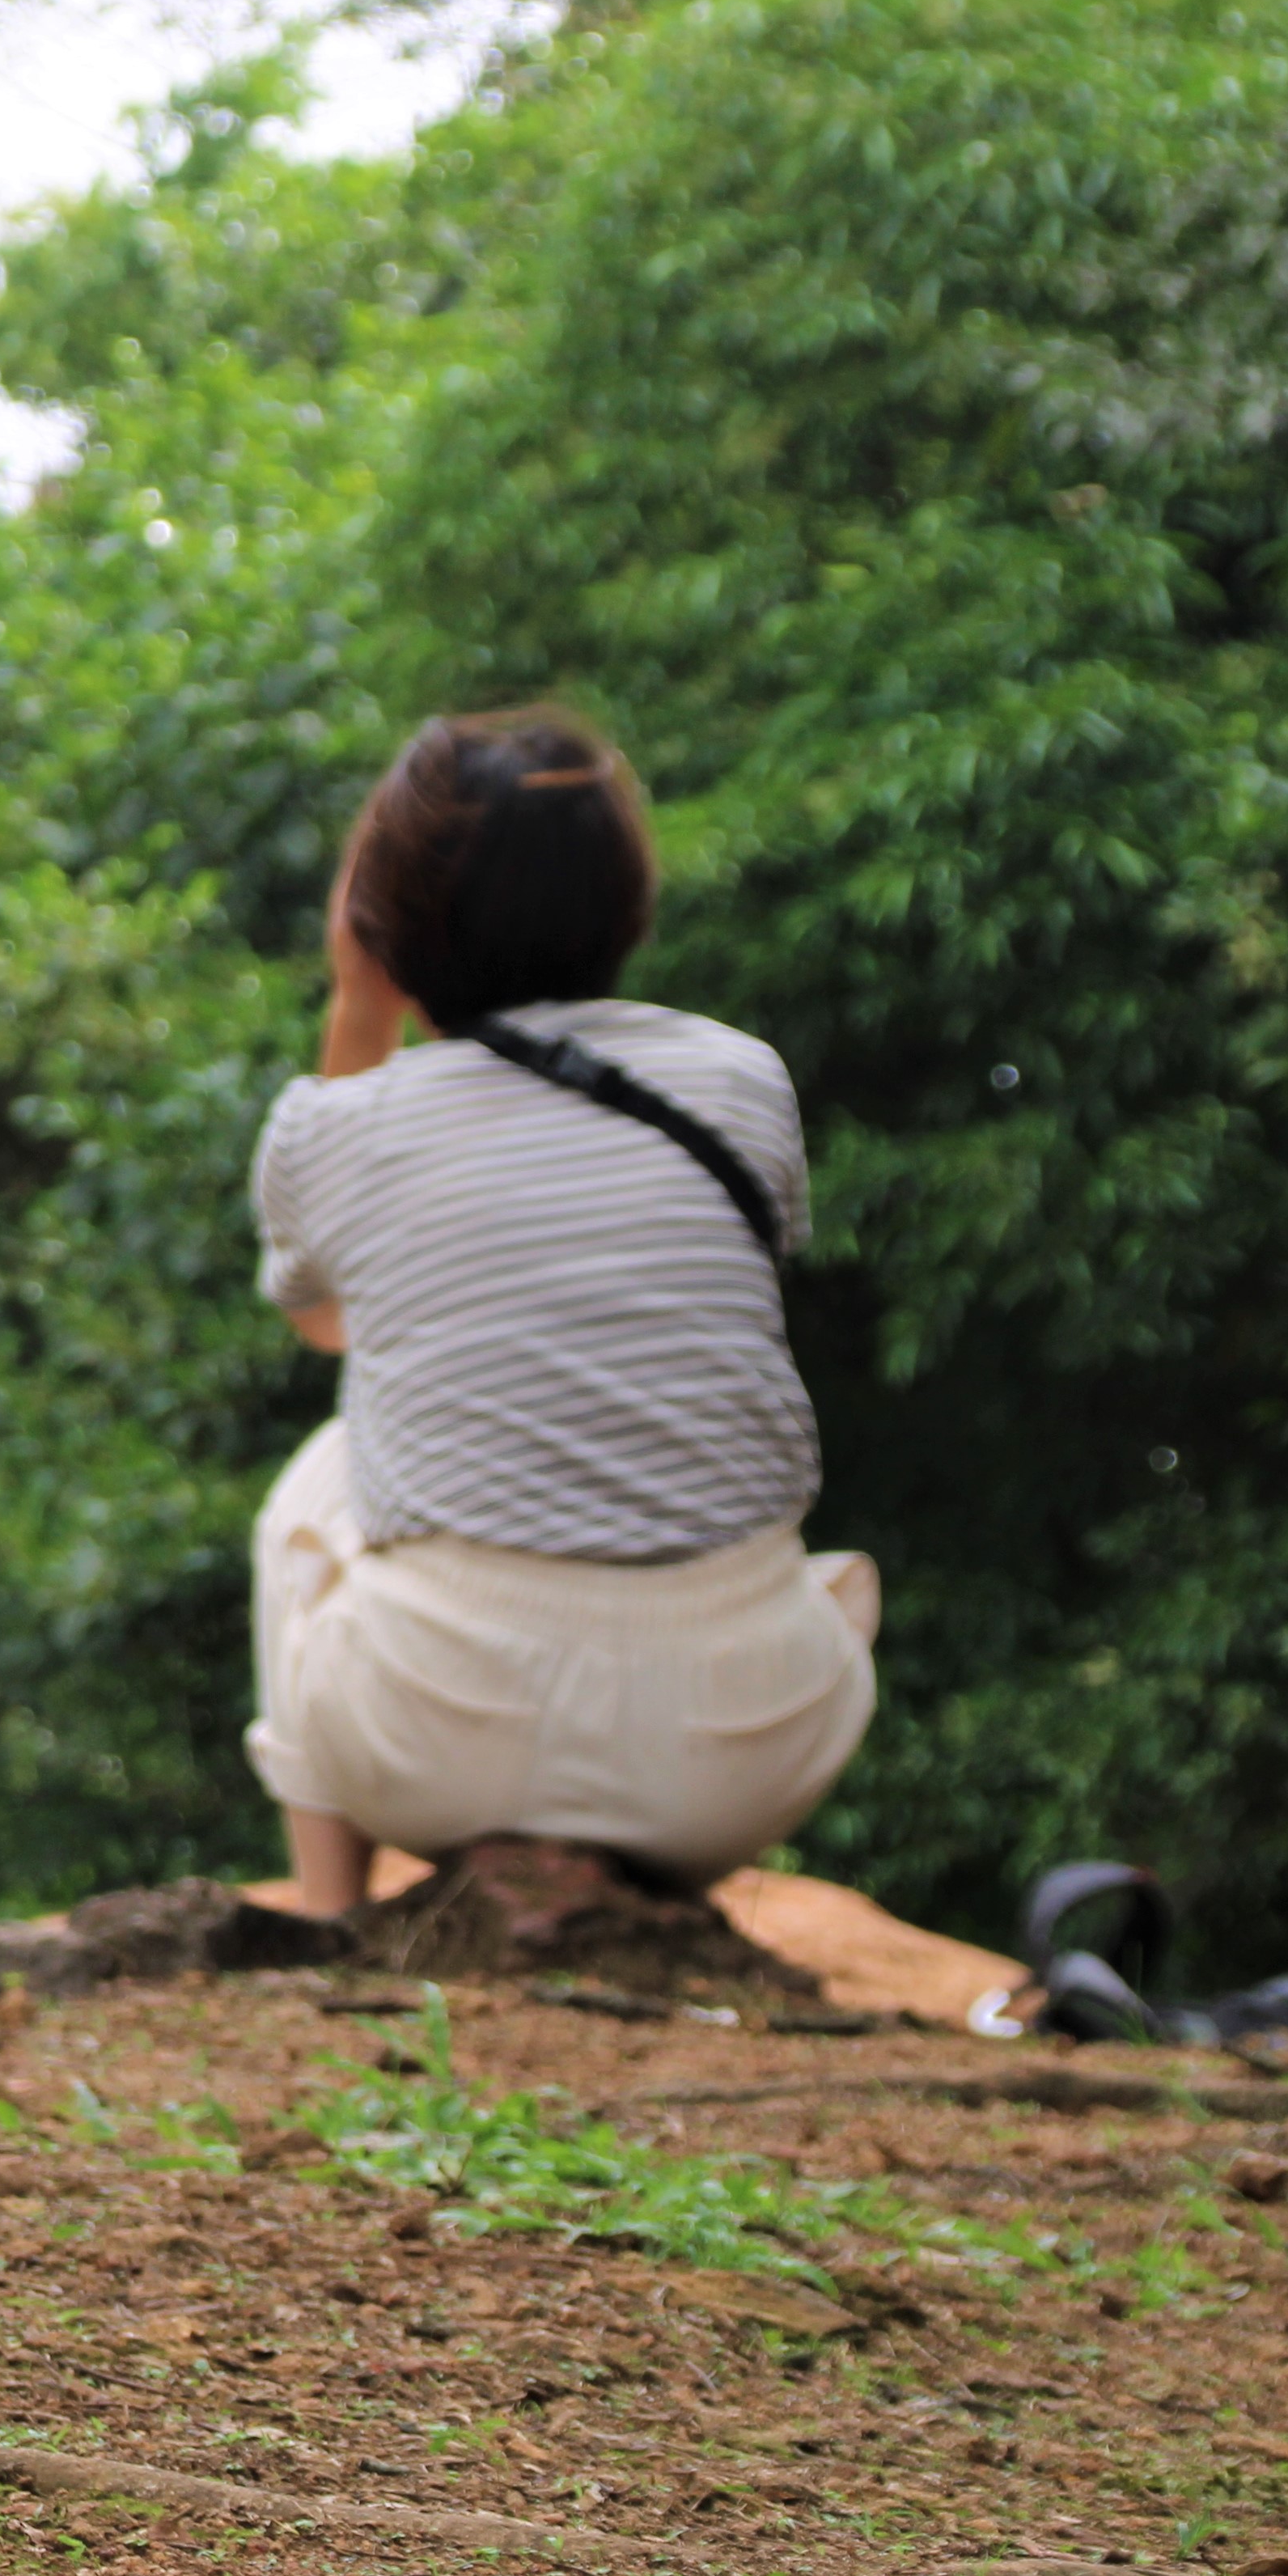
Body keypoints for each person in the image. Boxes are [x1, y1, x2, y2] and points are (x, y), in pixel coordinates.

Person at [240, 710, 878, 1916]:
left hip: (432, 1739)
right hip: (747, 1745)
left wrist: (360, 1003)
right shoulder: (744, 1082)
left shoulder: (332, 1126)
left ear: (383, 924)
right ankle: (645, 1879)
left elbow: (335, 1330)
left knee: (323, 1473)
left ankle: (330, 1906)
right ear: (627, 902)